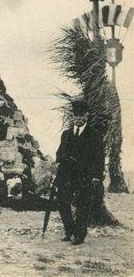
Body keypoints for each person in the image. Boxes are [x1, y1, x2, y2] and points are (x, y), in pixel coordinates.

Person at [55, 98, 104, 245]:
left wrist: (96, 176)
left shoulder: (94, 135)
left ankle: (80, 235)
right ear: (72, 116)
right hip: (66, 175)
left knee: (83, 205)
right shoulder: (66, 134)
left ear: (87, 116)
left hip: (85, 176)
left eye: (82, 115)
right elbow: (59, 153)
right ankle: (69, 231)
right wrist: (60, 162)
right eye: (76, 115)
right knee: (62, 202)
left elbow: (99, 157)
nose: (78, 119)